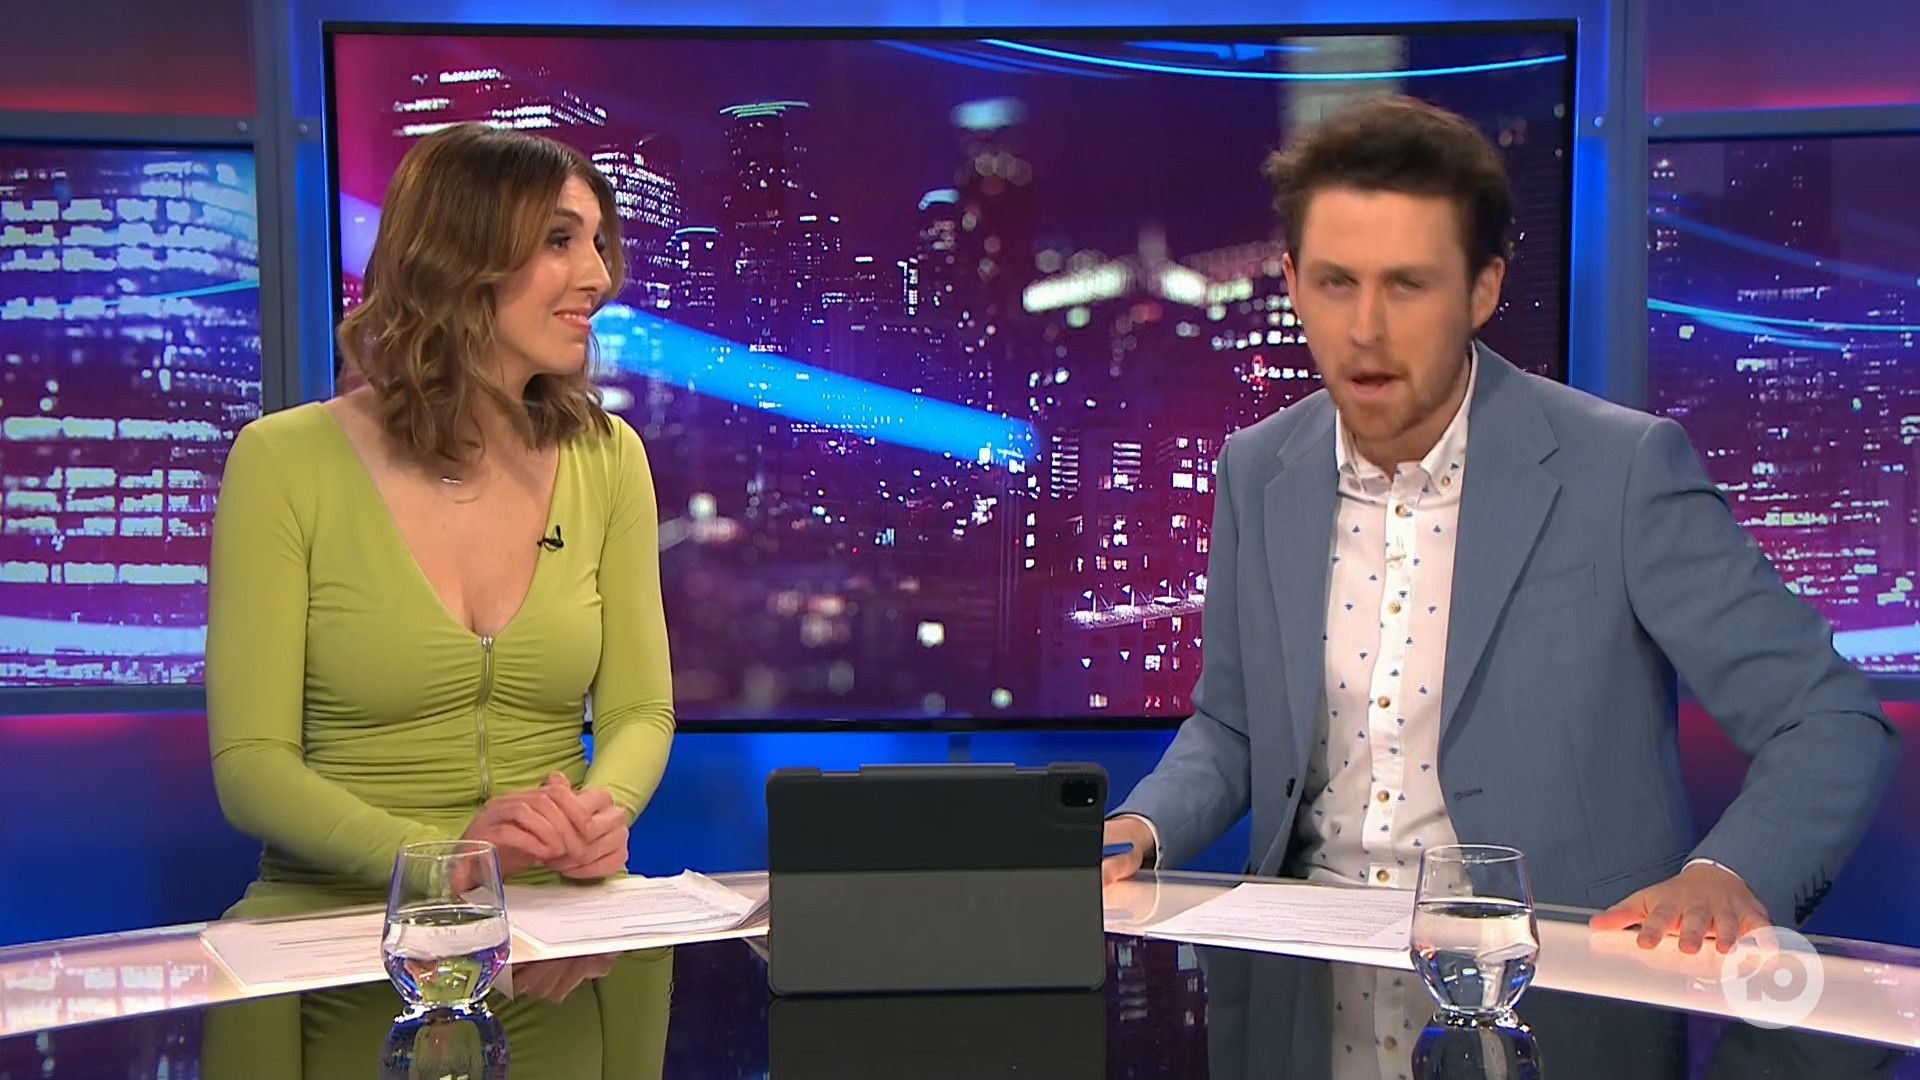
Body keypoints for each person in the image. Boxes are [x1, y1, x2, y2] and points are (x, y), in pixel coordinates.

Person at [1102, 95, 1898, 954]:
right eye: (1336, 283)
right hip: (1304, 958)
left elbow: (1827, 718)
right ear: (1292, 285)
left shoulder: (1621, 470)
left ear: (1482, 289)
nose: (1365, 329)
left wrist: (1729, 874)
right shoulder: (1257, 469)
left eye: (1407, 284)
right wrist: (1140, 825)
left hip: (1554, 966)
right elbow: (1233, 725)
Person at [205, 123, 674, 917]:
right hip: (342, 918)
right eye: (559, 240)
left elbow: (639, 711)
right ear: (460, 257)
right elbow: (252, 765)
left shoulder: (609, 457)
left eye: (598, 244)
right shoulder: (283, 461)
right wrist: (445, 862)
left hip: (552, 917)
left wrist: (604, 814)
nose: (598, 277)